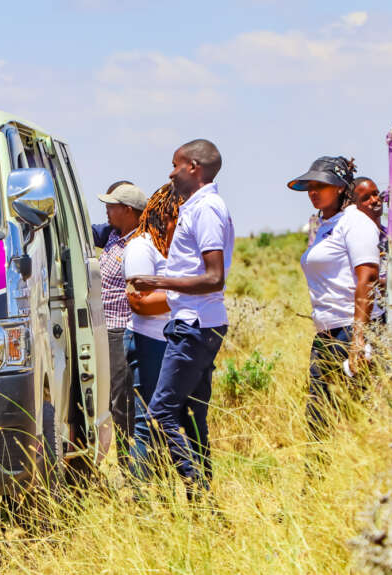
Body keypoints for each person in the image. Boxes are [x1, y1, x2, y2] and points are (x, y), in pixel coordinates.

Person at [128, 139, 233, 490]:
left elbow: (214, 276)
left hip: (194, 325)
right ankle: (204, 502)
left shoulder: (205, 209)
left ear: (194, 167)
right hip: (197, 323)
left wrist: (159, 280)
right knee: (190, 415)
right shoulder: (201, 207)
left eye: (175, 164)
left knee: (160, 413)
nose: (171, 173)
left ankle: (196, 487)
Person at [287, 157, 379, 437]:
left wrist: (358, 340)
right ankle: (315, 479)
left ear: (340, 187)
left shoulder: (355, 223)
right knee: (318, 417)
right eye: (310, 186)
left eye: (321, 185)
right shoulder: (326, 224)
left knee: (358, 415)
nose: (313, 192)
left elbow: (368, 277)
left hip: (349, 331)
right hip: (327, 334)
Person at [122, 183, 183, 473]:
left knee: (165, 421)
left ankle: (160, 490)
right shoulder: (141, 246)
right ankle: (142, 498)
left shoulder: (172, 247)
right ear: (164, 213)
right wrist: (186, 296)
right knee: (148, 421)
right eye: (177, 215)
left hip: (169, 340)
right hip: (149, 342)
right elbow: (140, 301)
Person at [95, 181, 148, 454]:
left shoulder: (139, 244)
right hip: (105, 329)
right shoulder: (115, 235)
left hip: (120, 330)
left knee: (121, 400)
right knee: (107, 398)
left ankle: (132, 466)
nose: (106, 210)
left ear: (128, 210)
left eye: (111, 206)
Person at [353, 177, 387, 322]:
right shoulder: (354, 240)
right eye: (366, 198)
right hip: (370, 317)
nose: (374, 200)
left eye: (376, 194)